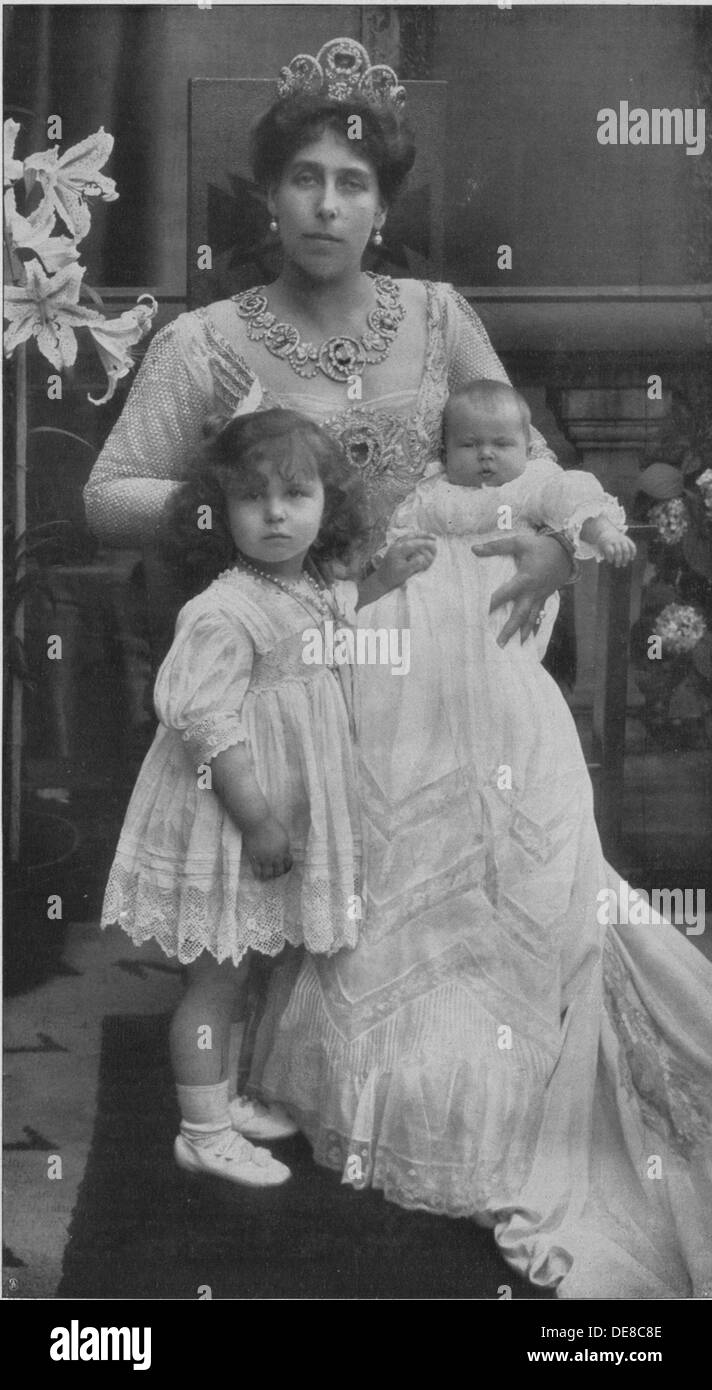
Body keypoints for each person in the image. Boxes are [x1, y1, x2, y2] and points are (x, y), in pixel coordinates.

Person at [83, 38, 711, 1294]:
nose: (327, 204)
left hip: (458, 648)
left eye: (352, 183)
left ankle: (520, 1098)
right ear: (268, 194)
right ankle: (378, 1104)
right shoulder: (209, 339)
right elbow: (107, 496)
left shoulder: (434, 315)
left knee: (531, 866)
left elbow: (507, 457)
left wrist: (539, 541)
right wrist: (240, 507)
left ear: (383, 202)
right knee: (355, 920)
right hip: (311, 672)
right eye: (305, 177)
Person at [100, 400, 435, 1186]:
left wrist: (386, 575)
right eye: (253, 500)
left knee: (256, 961)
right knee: (217, 974)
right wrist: (257, 821)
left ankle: (230, 1096)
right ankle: (202, 1130)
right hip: (233, 809)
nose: (276, 515)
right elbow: (206, 727)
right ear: (219, 514)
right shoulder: (221, 611)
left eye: (297, 497)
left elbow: (336, 628)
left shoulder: (310, 585)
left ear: (329, 507)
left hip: (287, 800)